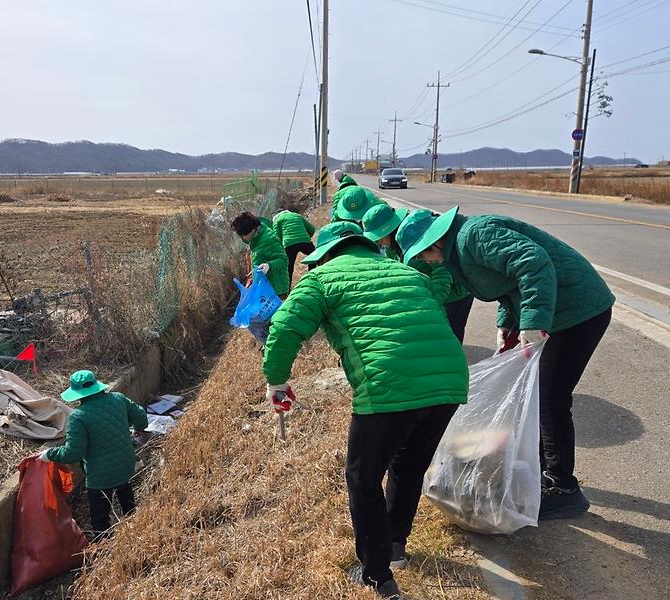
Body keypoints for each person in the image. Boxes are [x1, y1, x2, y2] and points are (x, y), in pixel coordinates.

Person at [262, 222, 469, 598]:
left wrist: (276, 381)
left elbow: (284, 326)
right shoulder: (404, 269)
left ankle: (377, 575)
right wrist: (439, 269)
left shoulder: (322, 279)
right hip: (449, 381)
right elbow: (443, 292)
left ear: (324, 256)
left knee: (363, 478)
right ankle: (394, 548)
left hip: (388, 384)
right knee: (407, 466)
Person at [396, 206, 615, 519]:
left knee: (551, 398)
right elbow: (507, 284)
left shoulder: (475, 236)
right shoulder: (460, 248)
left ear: (435, 242)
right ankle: (541, 473)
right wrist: (508, 324)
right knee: (539, 395)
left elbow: (533, 264)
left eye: (423, 255)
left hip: (578, 310)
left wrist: (533, 321)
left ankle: (563, 487)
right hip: (559, 310)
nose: (425, 261)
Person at [38, 370, 148, 539]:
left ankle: (104, 542)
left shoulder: (78, 417)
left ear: (76, 393)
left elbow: (73, 453)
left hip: (100, 477)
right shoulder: (118, 398)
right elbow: (140, 415)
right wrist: (138, 429)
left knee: (100, 517)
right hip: (126, 464)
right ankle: (136, 526)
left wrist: (49, 454)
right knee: (125, 492)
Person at [363, 204, 475, 343]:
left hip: (453, 295)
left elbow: (443, 273)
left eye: (379, 236)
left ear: (389, 230)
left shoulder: (416, 236)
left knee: (450, 337)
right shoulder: (393, 247)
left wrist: (432, 304)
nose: (379, 242)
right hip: (432, 296)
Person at [230, 211, 290, 298]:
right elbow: (261, 256)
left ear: (250, 230)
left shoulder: (268, 239)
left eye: (242, 235)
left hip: (276, 289)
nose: (242, 238)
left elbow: (283, 260)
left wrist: (269, 266)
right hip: (265, 287)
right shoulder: (255, 239)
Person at [272, 209, 316, 283]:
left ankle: (288, 289)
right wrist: (305, 238)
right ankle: (311, 276)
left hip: (289, 244)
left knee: (289, 268)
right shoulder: (296, 215)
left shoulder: (277, 220)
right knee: (314, 257)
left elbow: (277, 238)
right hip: (304, 240)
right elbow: (311, 229)